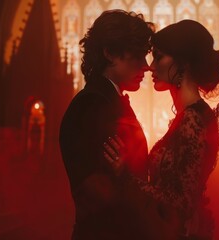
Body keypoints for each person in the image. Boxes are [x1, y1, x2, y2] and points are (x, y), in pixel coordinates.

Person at [104, 19, 219, 239]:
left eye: (159, 57)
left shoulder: (194, 120)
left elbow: (182, 203)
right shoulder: (187, 117)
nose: (150, 66)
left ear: (183, 64)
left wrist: (126, 175)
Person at [59, 10, 154, 239]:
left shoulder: (107, 101)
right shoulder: (91, 105)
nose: (147, 66)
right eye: (138, 56)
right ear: (110, 53)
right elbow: (96, 195)